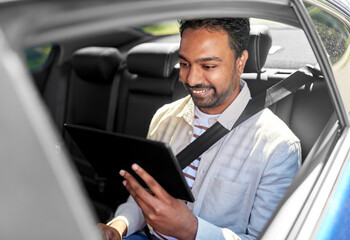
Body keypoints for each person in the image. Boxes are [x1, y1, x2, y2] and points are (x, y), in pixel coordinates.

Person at [98, 18, 301, 240]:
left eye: (208, 66)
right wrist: (119, 226)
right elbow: (144, 196)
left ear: (240, 62)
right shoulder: (165, 118)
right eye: (184, 64)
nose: (192, 79)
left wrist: (191, 230)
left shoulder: (278, 148)